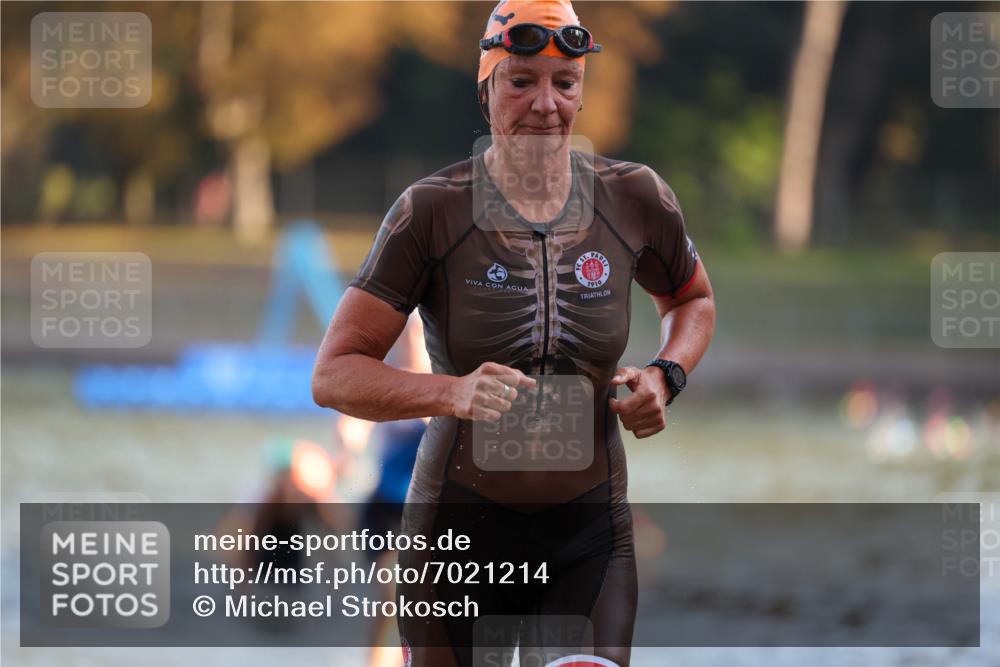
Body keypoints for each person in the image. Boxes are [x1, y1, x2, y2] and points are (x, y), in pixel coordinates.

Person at [312, 1, 716, 665]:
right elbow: (333, 374)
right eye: (521, 81)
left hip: (587, 534)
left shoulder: (635, 197)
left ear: (582, 92)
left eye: (565, 83)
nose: (545, 105)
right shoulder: (431, 211)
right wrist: (450, 392)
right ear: (486, 89)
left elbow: (692, 299)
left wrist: (665, 374)